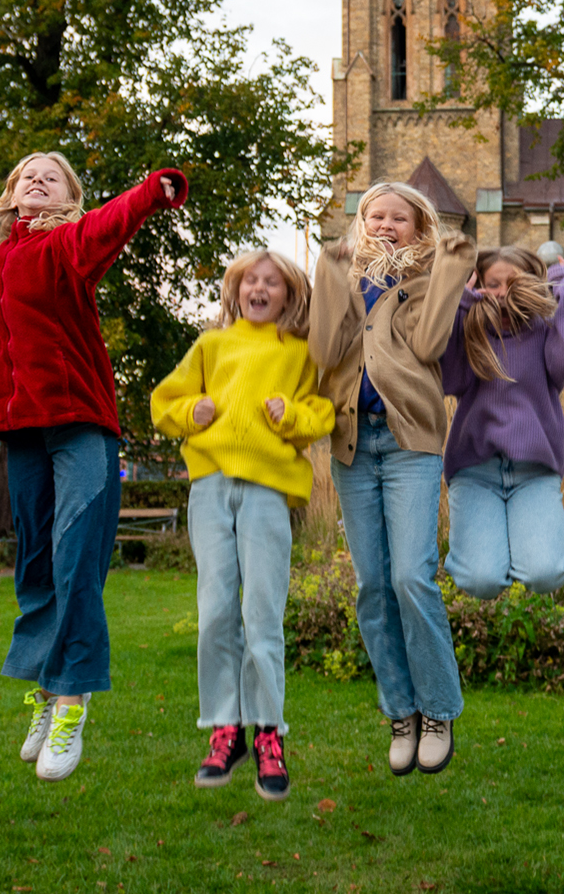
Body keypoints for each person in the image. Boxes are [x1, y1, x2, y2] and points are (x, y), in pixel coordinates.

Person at [0, 152, 187, 783]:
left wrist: (153, 191)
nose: (37, 180)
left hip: (80, 428)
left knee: (76, 560)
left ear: (69, 196)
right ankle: (48, 692)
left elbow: (110, 224)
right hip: (22, 436)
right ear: (12, 194)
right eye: (26, 175)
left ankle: (72, 701)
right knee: (36, 567)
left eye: (52, 175)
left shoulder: (69, 244)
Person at [152, 250, 333, 799]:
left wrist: (291, 417)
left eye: (271, 282)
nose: (259, 288)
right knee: (215, 613)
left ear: (288, 295)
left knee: (261, 614)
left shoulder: (299, 354)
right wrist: (191, 413)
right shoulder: (211, 346)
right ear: (236, 291)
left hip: (266, 494)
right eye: (249, 280)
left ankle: (268, 733)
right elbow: (164, 403)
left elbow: (320, 416)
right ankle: (224, 728)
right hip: (209, 489)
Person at [309, 182, 476, 777]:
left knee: (410, 576)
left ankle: (438, 711)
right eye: (374, 214)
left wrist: (452, 270)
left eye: (397, 217)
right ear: (360, 223)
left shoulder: (427, 280)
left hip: (409, 444)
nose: (384, 223)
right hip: (353, 447)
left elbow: (430, 343)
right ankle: (400, 711)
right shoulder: (344, 279)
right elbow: (326, 351)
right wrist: (329, 277)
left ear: (419, 228)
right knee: (373, 586)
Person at [440, 246, 564, 601]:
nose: (501, 293)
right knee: (480, 582)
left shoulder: (545, 332)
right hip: (474, 471)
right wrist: (461, 304)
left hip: (534, 473)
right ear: (476, 287)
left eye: (512, 284)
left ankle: (533, 551)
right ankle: (486, 557)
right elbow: (449, 378)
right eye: (491, 284)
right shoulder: (472, 331)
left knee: (546, 573)